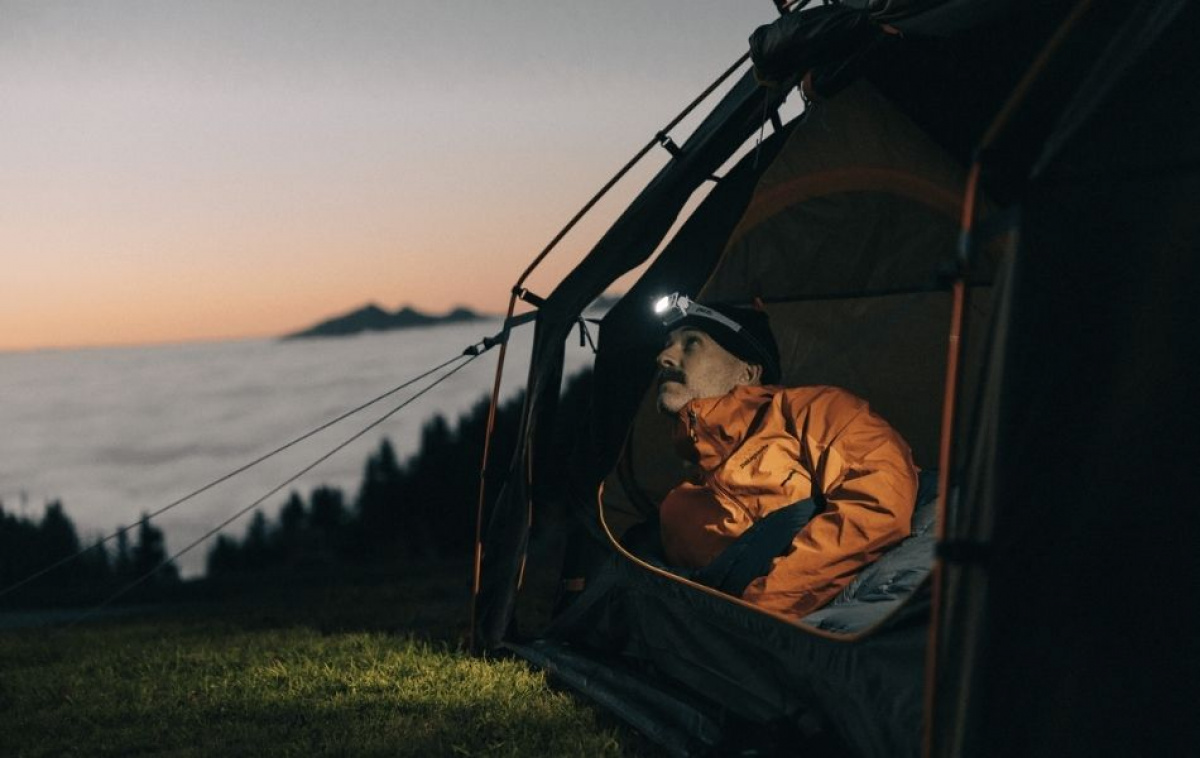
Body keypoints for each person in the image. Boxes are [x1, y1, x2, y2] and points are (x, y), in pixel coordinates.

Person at [649, 293, 917, 619]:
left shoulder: (814, 410)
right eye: (666, 345)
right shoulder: (678, 509)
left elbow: (880, 498)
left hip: (850, 620)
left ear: (747, 372)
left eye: (691, 343)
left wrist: (760, 614)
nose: (663, 357)